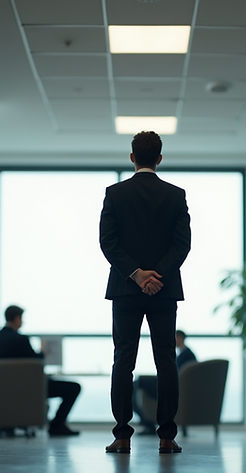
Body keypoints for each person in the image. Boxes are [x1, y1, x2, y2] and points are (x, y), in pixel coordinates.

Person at [100, 131, 191, 454]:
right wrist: (158, 276)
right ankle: (167, 436)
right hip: (164, 292)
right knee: (166, 360)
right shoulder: (176, 195)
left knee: (123, 360)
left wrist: (137, 275)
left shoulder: (115, 194)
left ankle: (122, 436)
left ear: (132, 157)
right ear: (160, 159)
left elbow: (108, 243)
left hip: (126, 289)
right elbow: (182, 245)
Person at [0, 305, 81, 436]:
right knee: (74, 388)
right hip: (25, 390)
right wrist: (43, 352)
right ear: (17, 319)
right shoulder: (21, 340)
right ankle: (57, 425)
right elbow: (36, 363)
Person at [132, 330, 197, 435]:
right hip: (175, 384)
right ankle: (145, 421)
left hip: (174, 386)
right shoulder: (185, 354)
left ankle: (146, 422)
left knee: (137, 384)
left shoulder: (186, 355)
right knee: (136, 384)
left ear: (179, 338)